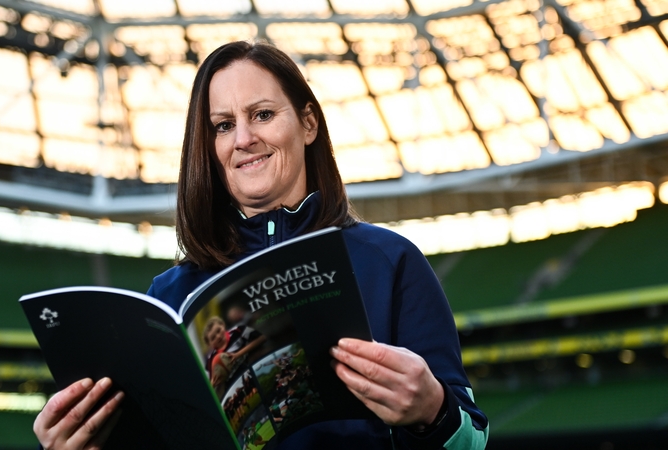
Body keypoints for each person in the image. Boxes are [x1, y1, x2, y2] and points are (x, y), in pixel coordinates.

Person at [33, 40, 489, 449]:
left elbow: (472, 440)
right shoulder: (169, 296)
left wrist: (433, 410)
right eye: (223, 125)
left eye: (263, 115)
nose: (244, 139)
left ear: (308, 123)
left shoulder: (392, 262)